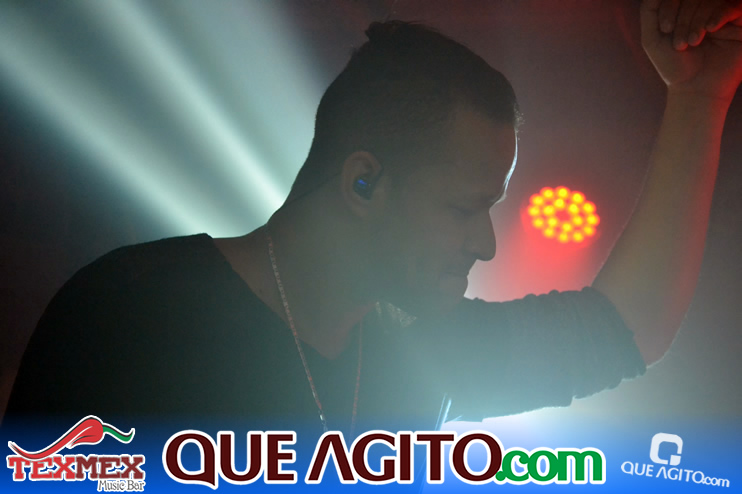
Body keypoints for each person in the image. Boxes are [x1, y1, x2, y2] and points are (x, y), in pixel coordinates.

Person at [3, 0, 741, 438]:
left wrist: (701, 97)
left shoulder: (420, 343)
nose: (486, 244)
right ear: (363, 182)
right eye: (463, 207)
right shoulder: (129, 312)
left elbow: (624, 330)